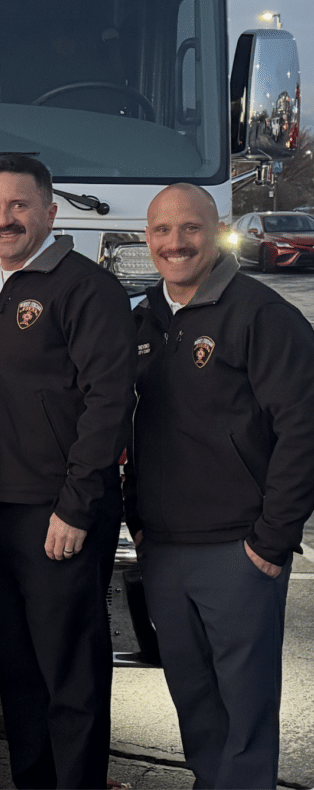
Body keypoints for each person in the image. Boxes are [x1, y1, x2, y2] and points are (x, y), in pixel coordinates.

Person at [126, 182, 314, 789]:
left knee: (244, 717)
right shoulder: (142, 319)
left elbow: (304, 432)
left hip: (239, 552)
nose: (175, 242)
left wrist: (272, 539)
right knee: (196, 708)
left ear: (217, 232)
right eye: (161, 230)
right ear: (147, 238)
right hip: (163, 548)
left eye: (190, 229)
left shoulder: (263, 317)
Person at [0, 154, 135, 789]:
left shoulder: (86, 289)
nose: (3, 220)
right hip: (0, 508)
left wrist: (76, 505)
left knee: (71, 674)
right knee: (18, 669)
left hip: (58, 513)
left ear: (50, 212)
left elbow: (108, 403)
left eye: (18, 206)